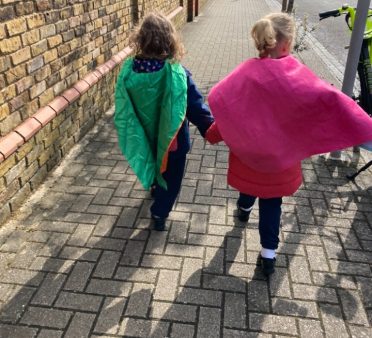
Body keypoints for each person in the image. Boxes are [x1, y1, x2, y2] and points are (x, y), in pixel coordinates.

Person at [205, 12, 372, 276]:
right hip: (280, 160)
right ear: (286, 43)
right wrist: (362, 124)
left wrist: (212, 133)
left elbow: (230, 109)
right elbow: (325, 99)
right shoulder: (297, 74)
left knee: (250, 184)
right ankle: (268, 255)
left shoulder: (245, 72)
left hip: (248, 153)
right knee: (272, 204)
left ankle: (244, 209)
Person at [114, 12, 214, 231]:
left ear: (140, 39)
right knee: (172, 176)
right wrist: (211, 128)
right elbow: (194, 106)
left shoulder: (128, 72)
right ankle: (159, 213)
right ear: (170, 40)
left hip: (144, 133)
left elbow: (124, 106)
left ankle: (154, 185)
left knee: (152, 159)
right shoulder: (177, 73)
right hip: (173, 140)